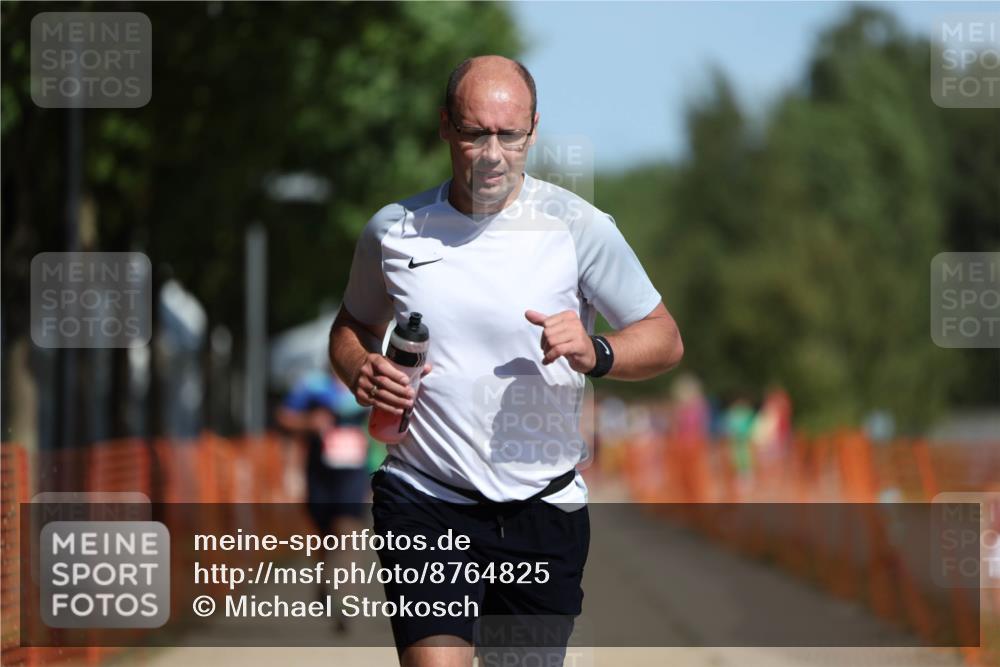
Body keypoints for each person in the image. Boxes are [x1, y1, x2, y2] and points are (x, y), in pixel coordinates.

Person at [329, 55, 683, 667]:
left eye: (508, 134)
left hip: (541, 505)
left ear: (533, 131)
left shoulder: (579, 228)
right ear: (445, 128)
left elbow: (664, 337)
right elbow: (352, 326)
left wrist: (597, 352)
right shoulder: (394, 230)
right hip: (426, 494)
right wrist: (360, 366)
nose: (491, 153)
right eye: (474, 133)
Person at [274, 369, 369, 631]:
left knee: (349, 533)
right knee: (324, 538)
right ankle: (324, 583)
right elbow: (284, 416)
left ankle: (346, 602)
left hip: (353, 474)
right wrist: (309, 422)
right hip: (319, 474)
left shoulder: (367, 385)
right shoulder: (312, 386)